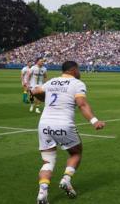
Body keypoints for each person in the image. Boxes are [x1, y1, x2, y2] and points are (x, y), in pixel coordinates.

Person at [31, 61, 105, 204]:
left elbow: (35, 91)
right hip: (63, 124)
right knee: (76, 152)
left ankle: (42, 192)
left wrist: (42, 99)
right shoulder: (77, 83)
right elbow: (82, 104)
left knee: (48, 161)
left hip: (44, 124)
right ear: (73, 70)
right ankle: (66, 179)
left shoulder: (52, 81)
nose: (80, 72)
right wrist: (94, 121)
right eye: (79, 69)